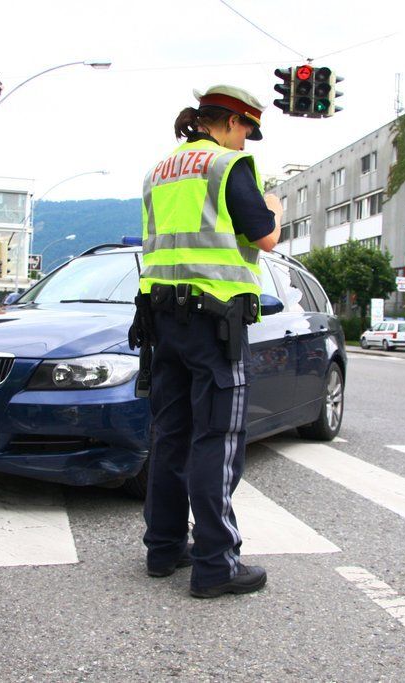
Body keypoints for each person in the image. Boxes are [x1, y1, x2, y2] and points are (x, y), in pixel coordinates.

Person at [130, 84, 282, 599]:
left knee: (170, 435)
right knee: (217, 438)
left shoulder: (159, 171)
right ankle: (216, 564)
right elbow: (265, 236)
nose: (245, 143)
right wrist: (274, 206)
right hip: (214, 323)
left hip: (162, 319)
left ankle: (163, 548)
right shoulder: (227, 166)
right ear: (233, 122)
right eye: (246, 132)